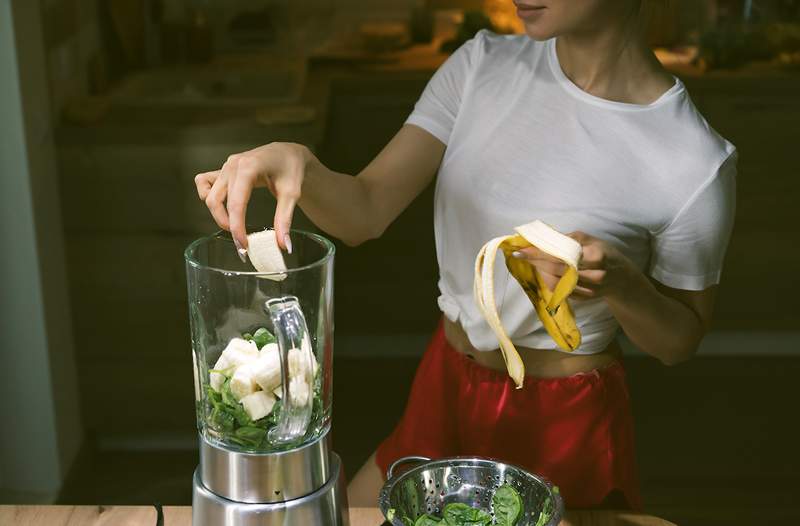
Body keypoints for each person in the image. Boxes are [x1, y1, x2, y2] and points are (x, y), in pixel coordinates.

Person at [194, 0, 736, 510]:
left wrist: (621, 284)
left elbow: (679, 340)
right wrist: (299, 163)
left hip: (562, 422)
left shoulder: (692, 159)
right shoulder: (481, 65)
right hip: (444, 385)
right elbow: (365, 210)